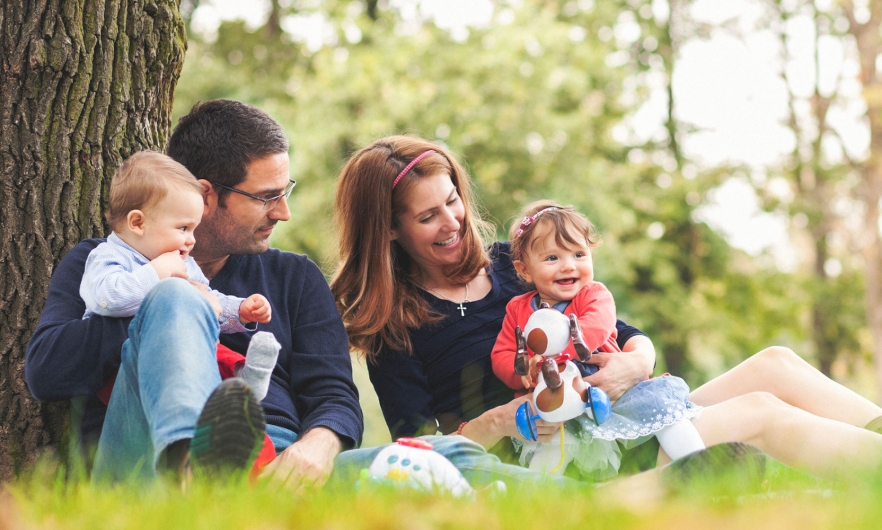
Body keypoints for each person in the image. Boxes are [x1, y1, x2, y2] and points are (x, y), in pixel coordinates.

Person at [330, 134, 882, 488]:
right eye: (427, 217)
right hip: (569, 457)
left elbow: (624, 333)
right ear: (390, 231)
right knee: (760, 409)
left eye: (452, 201)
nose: (451, 222)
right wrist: (514, 414)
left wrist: (634, 363)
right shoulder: (392, 327)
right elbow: (420, 450)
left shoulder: (513, 264)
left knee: (777, 363)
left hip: (625, 411)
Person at [25, 100, 363, 488]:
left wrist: (315, 449)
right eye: (267, 197)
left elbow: (335, 394)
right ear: (206, 196)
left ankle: (236, 486)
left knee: (432, 458)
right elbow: (45, 372)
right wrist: (160, 311)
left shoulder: (295, 276)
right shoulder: (106, 264)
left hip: (278, 462)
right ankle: (194, 466)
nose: (283, 212)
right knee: (175, 295)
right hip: (147, 463)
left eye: (284, 191)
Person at [490, 201, 705, 479]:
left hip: (614, 393)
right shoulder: (517, 309)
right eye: (552, 258)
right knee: (550, 447)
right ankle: (534, 494)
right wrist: (524, 371)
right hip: (558, 404)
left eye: (578, 254)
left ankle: (699, 461)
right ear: (524, 270)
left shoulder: (594, 295)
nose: (568, 266)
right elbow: (503, 354)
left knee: (662, 412)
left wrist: (556, 358)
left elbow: (597, 327)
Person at [80, 150, 279, 404]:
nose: (191, 240)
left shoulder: (183, 261)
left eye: (193, 229)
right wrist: (157, 273)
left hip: (180, 355)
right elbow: (106, 299)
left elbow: (208, 301)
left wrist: (239, 310)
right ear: (138, 223)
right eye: (183, 228)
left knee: (208, 347)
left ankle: (244, 382)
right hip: (125, 364)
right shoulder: (109, 256)